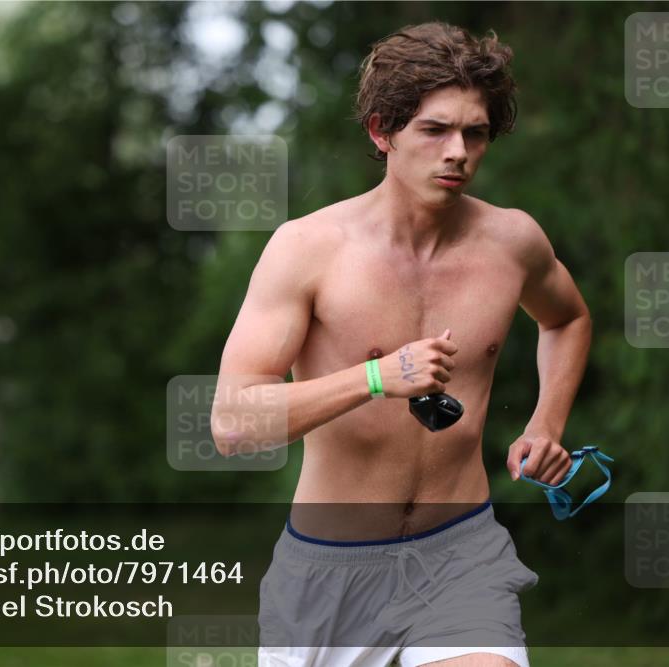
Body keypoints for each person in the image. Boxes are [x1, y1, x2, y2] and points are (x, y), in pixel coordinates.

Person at [211, 22, 591, 667]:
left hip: (460, 554)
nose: (458, 153)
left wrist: (546, 424)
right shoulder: (307, 250)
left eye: (475, 133)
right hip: (327, 573)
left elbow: (567, 319)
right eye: (435, 130)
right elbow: (232, 423)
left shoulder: (512, 242)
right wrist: (378, 378)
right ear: (381, 131)